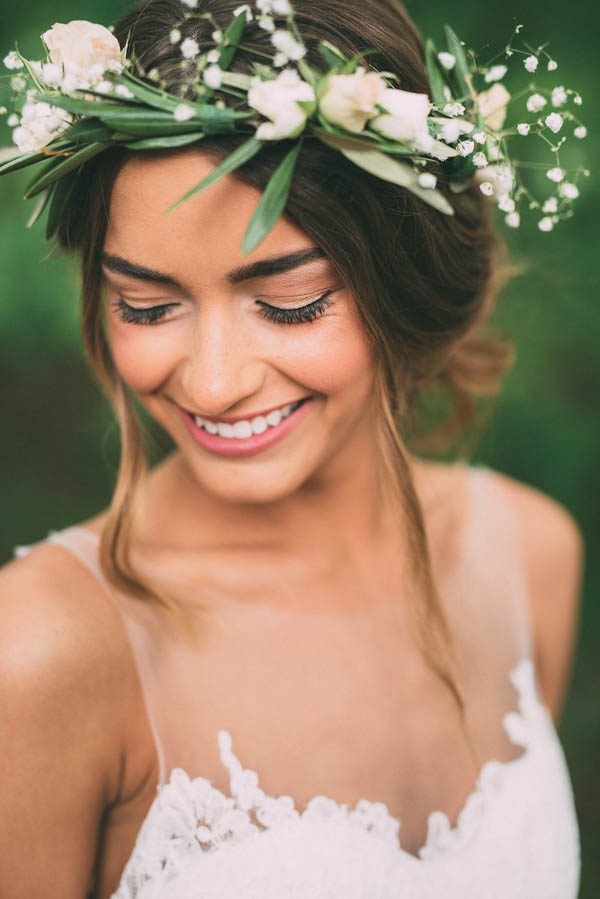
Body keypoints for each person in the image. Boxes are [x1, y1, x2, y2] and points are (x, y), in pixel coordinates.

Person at [0, 0, 584, 896]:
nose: (213, 383)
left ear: (407, 277)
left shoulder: (532, 555)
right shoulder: (37, 654)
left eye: (293, 301)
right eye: (147, 307)